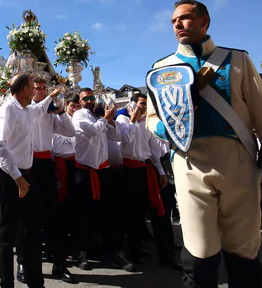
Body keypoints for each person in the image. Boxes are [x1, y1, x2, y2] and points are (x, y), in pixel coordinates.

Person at [146, 0, 262, 287]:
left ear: (205, 21)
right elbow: (151, 118)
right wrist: (163, 127)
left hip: (238, 162)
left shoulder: (238, 60)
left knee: (244, 251)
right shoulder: (162, 68)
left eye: (184, 18)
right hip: (189, 163)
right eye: (173, 21)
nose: (178, 25)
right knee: (198, 253)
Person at [0, 74, 60, 288]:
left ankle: (36, 281)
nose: (35, 92)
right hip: (10, 177)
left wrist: (51, 96)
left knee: (32, 229)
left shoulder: (28, 110)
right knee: (8, 233)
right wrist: (18, 179)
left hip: (26, 176)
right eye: (32, 88)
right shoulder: (6, 111)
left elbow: (39, 110)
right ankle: (7, 283)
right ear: (23, 90)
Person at [17, 79, 75, 284]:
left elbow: (70, 132)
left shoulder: (49, 112)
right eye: (38, 88)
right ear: (30, 92)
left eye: (44, 89)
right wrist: (49, 100)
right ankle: (23, 262)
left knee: (54, 214)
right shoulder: (27, 110)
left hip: (47, 164)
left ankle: (59, 263)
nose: (42, 91)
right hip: (29, 164)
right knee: (28, 216)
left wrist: (60, 112)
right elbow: (36, 114)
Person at [115, 93, 180, 270]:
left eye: (145, 105)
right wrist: (134, 120)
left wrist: (161, 172)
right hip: (130, 172)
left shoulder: (147, 123)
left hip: (148, 170)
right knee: (133, 215)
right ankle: (135, 255)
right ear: (133, 105)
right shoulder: (122, 119)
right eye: (141, 104)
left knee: (160, 214)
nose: (143, 108)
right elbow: (125, 140)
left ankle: (166, 256)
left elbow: (153, 149)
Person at [73, 88, 134, 272]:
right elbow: (92, 131)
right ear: (81, 101)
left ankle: (115, 251)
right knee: (84, 214)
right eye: (86, 98)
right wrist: (106, 118)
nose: (90, 101)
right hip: (85, 172)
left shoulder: (97, 116)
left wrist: (110, 120)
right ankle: (82, 251)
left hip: (104, 170)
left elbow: (115, 136)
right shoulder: (79, 115)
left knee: (111, 213)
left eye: (92, 98)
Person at [51, 93, 81, 281]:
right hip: (57, 165)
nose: (75, 109)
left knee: (73, 209)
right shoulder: (54, 119)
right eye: (72, 106)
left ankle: (71, 248)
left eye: (77, 106)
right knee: (57, 211)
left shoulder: (72, 122)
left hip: (73, 165)